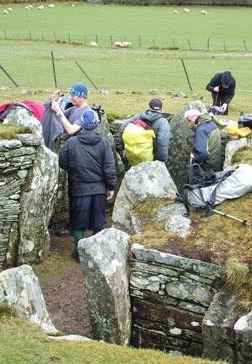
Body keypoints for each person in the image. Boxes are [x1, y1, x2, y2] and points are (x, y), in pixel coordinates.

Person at [58, 109, 116, 260]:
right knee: (98, 222)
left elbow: (62, 163)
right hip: (98, 189)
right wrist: (111, 187)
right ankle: (97, 254)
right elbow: (109, 168)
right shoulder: (103, 143)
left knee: (78, 223)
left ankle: (79, 253)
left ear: (82, 124)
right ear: (96, 124)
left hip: (78, 189)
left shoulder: (71, 143)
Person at [49, 82, 91, 237]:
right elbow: (55, 117)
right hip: (75, 157)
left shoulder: (87, 113)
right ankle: (78, 224)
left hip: (84, 159)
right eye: (71, 94)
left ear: (83, 96)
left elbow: (71, 130)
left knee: (79, 193)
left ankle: (76, 226)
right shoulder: (72, 109)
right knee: (74, 192)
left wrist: (59, 111)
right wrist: (54, 101)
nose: (71, 97)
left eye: (74, 95)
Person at [117, 98, 172, 166]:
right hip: (151, 157)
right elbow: (162, 140)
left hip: (134, 154)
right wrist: (162, 159)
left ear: (149, 107)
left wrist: (123, 148)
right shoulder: (163, 122)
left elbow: (123, 127)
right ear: (160, 109)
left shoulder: (139, 116)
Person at [184, 109, 222, 175]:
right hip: (216, 163)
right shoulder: (213, 124)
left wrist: (193, 159)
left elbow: (202, 153)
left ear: (195, 117)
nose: (189, 124)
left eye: (189, 121)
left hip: (207, 168)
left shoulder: (201, 130)